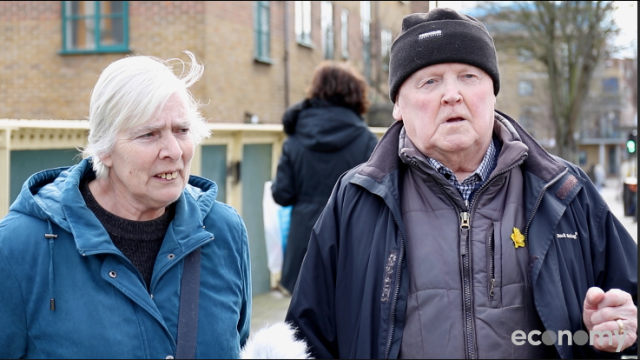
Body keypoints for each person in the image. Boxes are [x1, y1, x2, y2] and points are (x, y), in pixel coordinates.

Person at [285, 8, 637, 359]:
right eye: (430, 81)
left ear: (493, 92)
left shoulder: (565, 191)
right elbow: (307, 340)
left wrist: (617, 328)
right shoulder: (356, 200)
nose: (452, 95)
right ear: (398, 105)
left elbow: (627, 309)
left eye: (469, 76)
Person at [0, 52, 252, 358]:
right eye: (149, 134)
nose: (173, 150)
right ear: (104, 149)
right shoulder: (17, 248)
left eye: (182, 131)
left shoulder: (223, 231)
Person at [271, 61, 378, 295]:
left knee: (301, 325)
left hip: (304, 244)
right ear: (356, 94)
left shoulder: (295, 140)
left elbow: (282, 194)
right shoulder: (367, 141)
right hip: (350, 242)